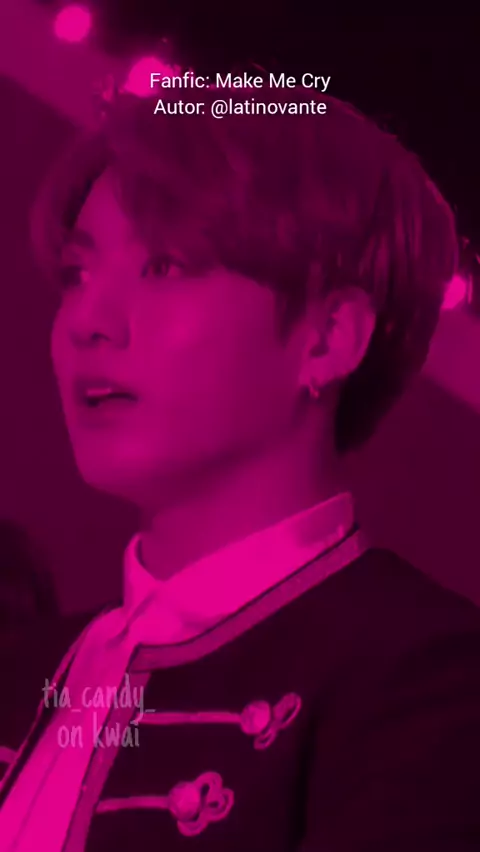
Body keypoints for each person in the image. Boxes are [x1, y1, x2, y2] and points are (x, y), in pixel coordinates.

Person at [0, 82, 479, 852]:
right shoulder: (27, 668)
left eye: (164, 266)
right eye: (75, 274)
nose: (87, 321)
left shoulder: (427, 680)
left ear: (327, 338)